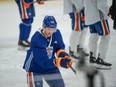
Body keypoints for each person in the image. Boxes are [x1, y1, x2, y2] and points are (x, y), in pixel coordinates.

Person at [23, 16, 72, 87]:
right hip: (35, 67)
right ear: (43, 27)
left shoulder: (56, 33)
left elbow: (59, 47)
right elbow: (42, 60)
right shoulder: (36, 39)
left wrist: (63, 55)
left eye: (53, 29)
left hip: (50, 66)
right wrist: (59, 62)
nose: (51, 32)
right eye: (49, 29)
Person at [83, 0, 112, 66]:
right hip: (99, 17)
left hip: (89, 15)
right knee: (106, 37)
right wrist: (109, 12)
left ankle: (92, 57)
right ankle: (101, 58)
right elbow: (101, 4)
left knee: (93, 36)